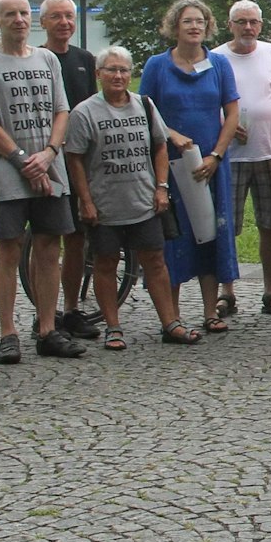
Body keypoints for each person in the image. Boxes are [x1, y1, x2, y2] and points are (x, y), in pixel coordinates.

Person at [0, 0, 78, 362]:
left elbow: (62, 112)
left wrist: (47, 156)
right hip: (8, 174)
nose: (18, 19)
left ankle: (47, 328)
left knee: (49, 249)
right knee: (9, 249)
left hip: (51, 168)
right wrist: (22, 161)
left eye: (23, 13)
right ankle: (7, 333)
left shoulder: (47, 59)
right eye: (9, 14)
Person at [63, 46, 195, 349]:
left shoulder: (145, 105)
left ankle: (170, 323)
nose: (118, 75)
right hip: (105, 204)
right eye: (111, 69)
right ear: (98, 75)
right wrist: (85, 200)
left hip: (144, 201)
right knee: (105, 264)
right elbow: (75, 160)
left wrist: (161, 187)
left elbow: (160, 146)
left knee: (155, 262)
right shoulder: (84, 113)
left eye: (123, 70)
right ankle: (113, 327)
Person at [138, 0, 242, 335]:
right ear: (175, 26)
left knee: (209, 235)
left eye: (200, 21)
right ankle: (173, 315)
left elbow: (232, 114)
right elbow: (144, 111)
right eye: (187, 21)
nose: (194, 26)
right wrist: (171, 133)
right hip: (170, 165)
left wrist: (217, 155)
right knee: (173, 237)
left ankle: (211, 311)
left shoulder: (220, 64)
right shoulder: (157, 65)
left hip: (210, 167)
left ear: (208, 25)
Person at [213, 0, 271, 318]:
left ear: (260, 25)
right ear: (229, 24)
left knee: (270, 224)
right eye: (241, 21)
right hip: (230, 157)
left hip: (269, 153)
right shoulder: (217, 58)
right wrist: (225, 125)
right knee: (227, 227)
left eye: (253, 22)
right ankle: (226, 291)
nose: (248, 28)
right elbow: (209, 102)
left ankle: (270, 290)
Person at [38, 0, 101, 341]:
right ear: (43, 22)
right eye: (56, 17)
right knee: (46, 240)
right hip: (46, 156)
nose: (64, 22)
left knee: (76, 239)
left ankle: (72, 308)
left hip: (77, 158)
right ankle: (43, 313)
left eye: (69, 17)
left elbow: (91, 108)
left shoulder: (83, 59)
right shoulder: (36, 58)